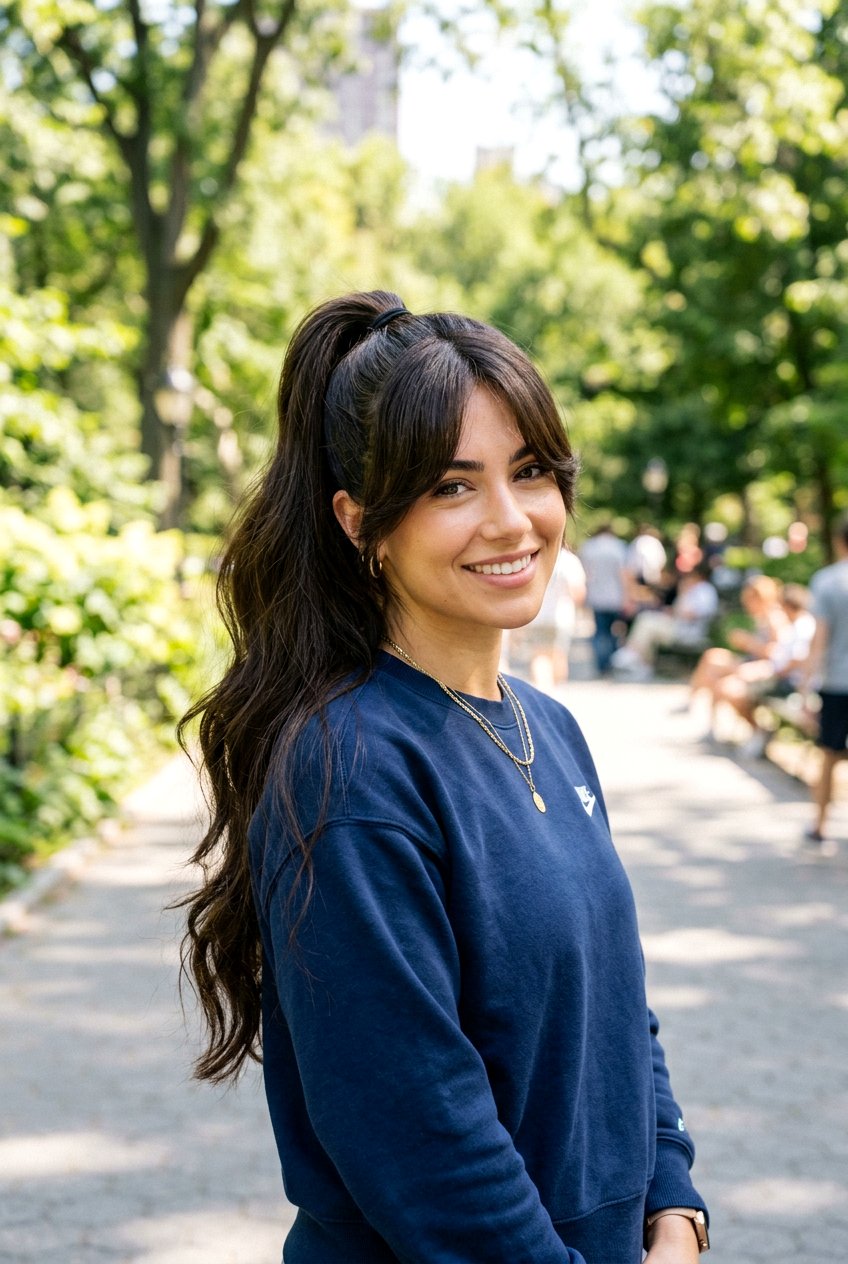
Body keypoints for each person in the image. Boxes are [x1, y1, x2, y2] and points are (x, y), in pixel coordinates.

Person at [177, 291, 710, 1263]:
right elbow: (422, 1136)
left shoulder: (546, 726)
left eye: (531, 470)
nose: (511, 521)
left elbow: (612, 1006)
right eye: (451, 486)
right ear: (359, 522)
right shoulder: (347, 769)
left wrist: (672, 1201)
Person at [714, 584, 816, 756]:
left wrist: (770, 671)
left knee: (734, 688)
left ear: (787, 606)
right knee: (731, 681)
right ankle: (756, 733)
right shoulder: (799, 624)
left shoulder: (803, 626)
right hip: (781, 678)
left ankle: (758, 733)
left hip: (787, 683)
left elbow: (796, 661)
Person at [684, 575, 786, 735]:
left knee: (723, 683)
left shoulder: (774, 618)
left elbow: (777, 654)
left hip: (765, 669)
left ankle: (755, 730)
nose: (746, 604)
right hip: (752, 662)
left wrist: (748, 642)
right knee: (713, 657)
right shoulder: (761, 617)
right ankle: (697, 707)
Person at [800, 516, 848, 852]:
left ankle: (820, 825)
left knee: (829, 754)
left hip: (836, 681)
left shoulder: (828, 581)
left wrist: (805, 685)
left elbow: (819, 640)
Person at [612, 562, 719, 680]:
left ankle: (633, 656)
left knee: (647, 623)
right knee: (646, 619)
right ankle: (636, 658)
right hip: (679, 626)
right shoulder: (695, 589)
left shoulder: (704, 590)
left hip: (687, 632)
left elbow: (692, 614)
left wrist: (683, 594)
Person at [505, 545, 586, 689]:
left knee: (539, 657)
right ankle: (554, 691)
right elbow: (578, 592)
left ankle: (544, 690)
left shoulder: (535, 558)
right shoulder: (570, 561)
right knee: (559, 655)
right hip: (562, 617)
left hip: (538, 615)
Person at [579, 523, 628, 675]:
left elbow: (585, 573)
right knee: (615, 631)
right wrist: (627, 596)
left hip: (596, 596)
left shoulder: (589, 547)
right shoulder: (618, 547)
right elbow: (623, 574)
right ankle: (613, 661)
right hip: (616, 596)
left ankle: (601, 665)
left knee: (600, 632)